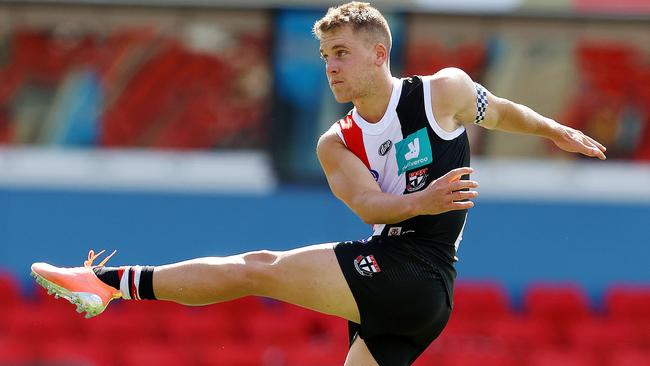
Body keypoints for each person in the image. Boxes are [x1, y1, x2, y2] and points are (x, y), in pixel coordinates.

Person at [31, 2, 606, 365]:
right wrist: (424, 200)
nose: (330, 66)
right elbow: (366, 204)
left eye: (341, 54)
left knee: (257, 268)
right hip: (400, 285)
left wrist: (557, 132)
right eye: (325, 55)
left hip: (416, 275)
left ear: (380, 54)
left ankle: (106, 284)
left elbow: (502, 112)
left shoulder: (441, 92)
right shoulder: (335, 142)